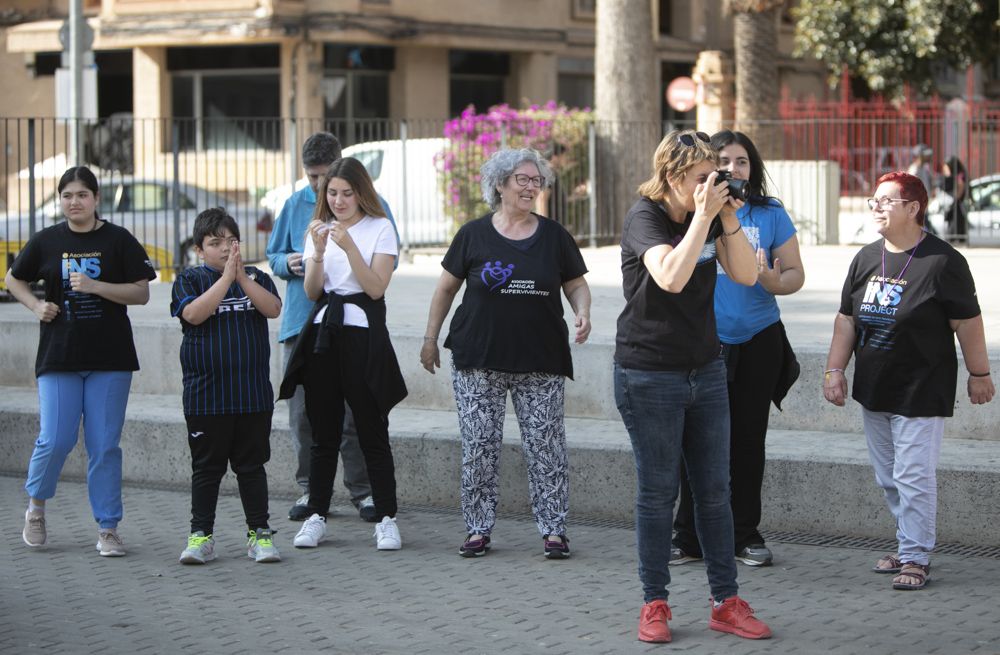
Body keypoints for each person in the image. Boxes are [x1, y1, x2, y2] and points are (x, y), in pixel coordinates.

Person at [614, 129, 772, 643]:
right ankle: (654, 603)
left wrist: (725, 217)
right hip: (649, 373)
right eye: (703, 178)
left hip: (705, 369)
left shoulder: (712, 214)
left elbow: (748, 275)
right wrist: (704, 217)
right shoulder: (646, 216)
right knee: (658, 494)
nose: (714, 185)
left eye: (718, 176)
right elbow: (671, 278)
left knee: (715, 492)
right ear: (674, 177)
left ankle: (726, 602)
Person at [822, 171, 994, 591]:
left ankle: (916, 556)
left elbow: (967, 322)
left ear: (913, 208)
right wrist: (834, 369)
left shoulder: (943, 262)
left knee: (914, 476)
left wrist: (980, 374)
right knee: (890, 477)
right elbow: (846, 319)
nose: (876, 207)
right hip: (875, 386)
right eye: (873, 201)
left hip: (921, 387)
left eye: (886, 201)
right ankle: (906, 543)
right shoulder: (865, 258)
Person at [419, 147, 591, 560]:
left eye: (537, 181)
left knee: (546, 448)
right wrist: (429, 338)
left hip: (540, 359)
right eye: (523, 180)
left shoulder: (554, 236)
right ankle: (478, 529)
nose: (532, 187)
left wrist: (583, 311)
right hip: (479, 358)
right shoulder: (473, 234)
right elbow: (445, 289)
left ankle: (554, 530)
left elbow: (575, 284)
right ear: (500, 185)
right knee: (479, 447)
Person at [6, 165, 156, 556]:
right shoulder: (46, 240)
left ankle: (108, 528)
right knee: (55, 439)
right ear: (61, 200)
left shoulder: (118, 239)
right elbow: (13, 279)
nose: (75, 202)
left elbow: (141, 294)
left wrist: (95, 286)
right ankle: (36, 507)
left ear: (96, 199)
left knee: (104, 445)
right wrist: (36, 305)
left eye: (82, 195)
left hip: (110, 358)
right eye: (67, 195)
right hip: (59, 355)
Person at [671, 130, 804, 568]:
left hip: (760, 341)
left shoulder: (770, 213)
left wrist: (767, 278)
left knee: (748, 441)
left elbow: (794, 277)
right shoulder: (694, 212)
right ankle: (687, 537)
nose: (733, 169)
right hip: (705, 345)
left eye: (742, 161)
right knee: (699, 442)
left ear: (754, 167)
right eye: (723, 161)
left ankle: (744, 534)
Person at [266, 131, 399, 523]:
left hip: (358, 330)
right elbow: (280, 261)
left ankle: (366, 494)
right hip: (307, 326)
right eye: (318, 183)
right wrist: (301, 259)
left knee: (359, 420)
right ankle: (312, 495)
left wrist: (347, 248)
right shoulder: (298, 208)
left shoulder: (377, 218)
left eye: (335, 185)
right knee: (307, 418)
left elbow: (377, 280)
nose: (327, 193)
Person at [171, 208, 283, 564]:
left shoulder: (258, 278)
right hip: (206, 399)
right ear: (200, 250)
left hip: (251, 397)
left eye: (230, 241)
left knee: (251, 468)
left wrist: (241, 278)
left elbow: (273, 309)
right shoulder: (189, 281)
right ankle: (201, 536)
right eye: (214, 243)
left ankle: (259, 535)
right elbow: (193, 315)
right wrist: (225, 280)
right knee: (207, 470)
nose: (223, 249)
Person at [941, 156, 968, 244]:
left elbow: (960, 189)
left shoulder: (960, 175)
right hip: (956, 204)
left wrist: (955, 198)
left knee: (954, 225)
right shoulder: (959, 174)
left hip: (957, 204)